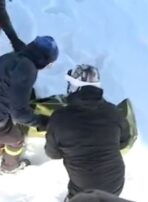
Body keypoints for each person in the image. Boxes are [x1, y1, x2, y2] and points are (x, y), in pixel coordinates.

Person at [0, 36, 58, 173]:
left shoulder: (11, 57)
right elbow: (19, 114)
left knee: (4, 126)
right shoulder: (27, 69)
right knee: (16, 139)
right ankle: (9, 167)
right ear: (44, 60)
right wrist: (42, 122)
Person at [45, 64, 130, 200]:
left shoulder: (59, 118)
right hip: (115, 182)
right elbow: (125, 140)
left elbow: (52, 153)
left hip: (83, 186)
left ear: (74, 87)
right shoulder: (113, 112)